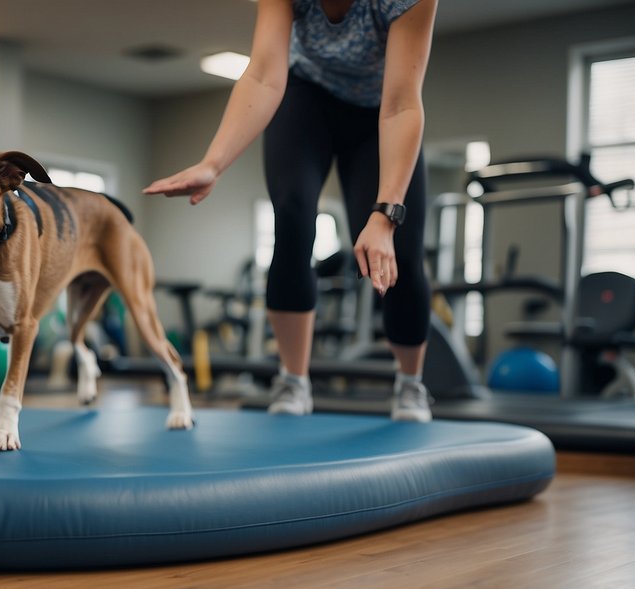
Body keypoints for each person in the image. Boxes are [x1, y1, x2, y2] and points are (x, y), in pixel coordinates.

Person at [145, 0, 438, 422]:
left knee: (402, 256)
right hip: (306, 96)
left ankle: (410, 384)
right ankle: (293, 380)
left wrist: (385, 215)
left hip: (382, 107)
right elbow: (264, 75)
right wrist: (214, 163)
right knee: (292, 215)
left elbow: (402, 105)